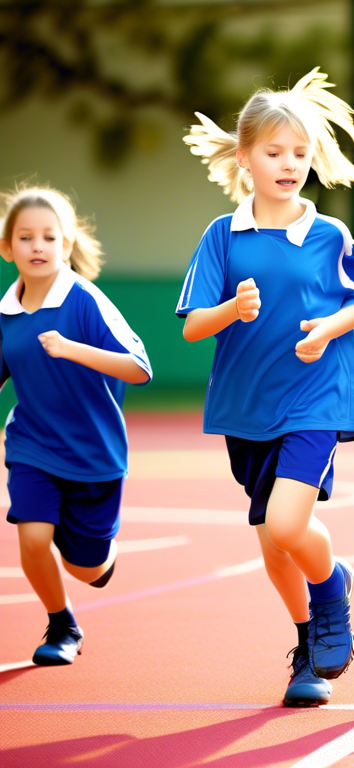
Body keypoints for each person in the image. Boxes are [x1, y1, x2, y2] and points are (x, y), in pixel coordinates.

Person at [178, 68, 354, 707]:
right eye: (274, 152)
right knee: (274, 547)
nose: (289, 164)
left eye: (301, 153)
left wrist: (327, 327)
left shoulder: (328, 235)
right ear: (245, 159)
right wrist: (231, 311)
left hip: (317, 397)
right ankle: (306, 647)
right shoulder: (223, 236)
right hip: (247, 406)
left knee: (287, 521)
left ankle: (330, 594)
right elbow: (192, 327)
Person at [0, 185, 152, 665]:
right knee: (32, 536)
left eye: (49, 236)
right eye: (26, 237)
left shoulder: (85, 301)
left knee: (85, 567)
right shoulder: (5, 313)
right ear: (7, 248)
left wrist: (71, 348)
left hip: (94, 455)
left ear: (66, 245)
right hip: (33, 445)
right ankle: (61, 624)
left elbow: (139, 367)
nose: (38, 246)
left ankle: (95, 558)